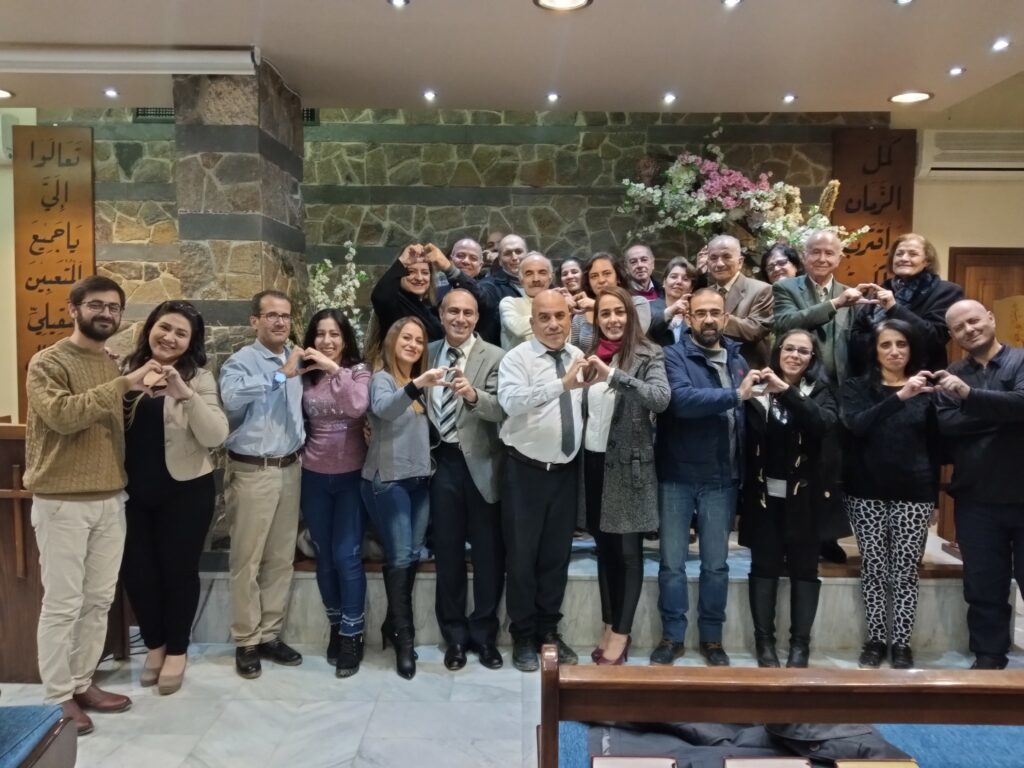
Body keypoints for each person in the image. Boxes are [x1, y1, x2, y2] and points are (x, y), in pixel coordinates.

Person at [24, 275, 157, 734]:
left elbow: (109, 417)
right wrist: (123, 384)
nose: (106, 313)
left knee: (99, 600)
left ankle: (83, 682)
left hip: (109, 497)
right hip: (61, 501)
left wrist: (135, 391)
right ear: (73, 308)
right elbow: (63, 416)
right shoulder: (47, 362)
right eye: (97, 305)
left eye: (114, 307)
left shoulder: (109, 362)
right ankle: (57, 696)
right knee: (63, 603)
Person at [121, 301, 228, 696]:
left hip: (185, 491)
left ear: (191, 342)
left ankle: (178, 651)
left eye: (181, 333)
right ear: (150, 327)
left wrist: (184, 393)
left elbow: (216, 435)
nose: (170, 337)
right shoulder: (122, 371)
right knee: (138, 572)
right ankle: (155, 646)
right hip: (131, 491)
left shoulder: (199, 378)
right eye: (164, 328)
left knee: (178, 572)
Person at [652, 288, 757, 667]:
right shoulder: (673, 355)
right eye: (701, 313)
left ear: (726, 316)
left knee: (716, 565)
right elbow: (680, 401)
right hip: (678, 474)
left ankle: (712, 638)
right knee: (672, 564)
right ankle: (672, 635)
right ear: (689, 318)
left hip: (723, 477)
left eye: (715, 312)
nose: (709, 319)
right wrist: (736, 395)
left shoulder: (739, 359)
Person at [739, 330, 844, 668]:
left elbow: (823, 424)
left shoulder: (823, 392)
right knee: (764, 567)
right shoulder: (756, 388)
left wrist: (786, 392)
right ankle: (764, 642)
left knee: (804, 570)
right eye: (789, 349)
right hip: (763, 498)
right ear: (777, 351)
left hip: (807, 500)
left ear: (813, 359)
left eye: (804, 351)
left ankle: (800, 644)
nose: (795, 356)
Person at [840, 319, 940, 670]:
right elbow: (856, 425)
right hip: (865, 490)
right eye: (886, 345)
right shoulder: (855, 387)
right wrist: (900, 396)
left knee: (905, 571)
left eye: (902, 344)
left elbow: (935, 446)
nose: (895, 351)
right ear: (875, 350)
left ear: (911, 349)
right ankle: (875, 640)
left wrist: (934, 499)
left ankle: (901, 643)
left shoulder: (927, 390)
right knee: (874, 568)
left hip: (914, 491)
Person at [498, 289, 587, 672]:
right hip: (525, 472)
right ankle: (522, 634)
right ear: (532, 322)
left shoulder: (579, 356)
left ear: (571, 319)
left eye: (560, 317)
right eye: (544, 317)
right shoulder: (517, 358)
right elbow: (510, 403)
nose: (553, 324)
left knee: (556, 557)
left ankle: (548, 631)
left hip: (566, 472)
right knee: (521, 558)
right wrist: (560, 385)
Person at [580, 287, 670, 665]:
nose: (613, 319)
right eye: (605, 314)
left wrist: (616, 376)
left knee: (629, 555)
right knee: (605, 553)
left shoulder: (649, 353)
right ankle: (608, 622)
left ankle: (622, 632)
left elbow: (660, 398)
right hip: (594, 461)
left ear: (630, 316)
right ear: (596, 319)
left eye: (619, 312)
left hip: (631, 468)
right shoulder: (587, 356)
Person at [219, 290, 306, 679]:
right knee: (247, 560)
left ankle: (270, 634)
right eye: (271, 315)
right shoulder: (242, 361)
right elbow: (231, 397)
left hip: (291, 468)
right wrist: (278, 375)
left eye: (285, 316)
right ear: (254, 321)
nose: (279, 322)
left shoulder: (299, 357)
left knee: (280, 558)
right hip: (254, 471)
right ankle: (246, 640)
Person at [935, 299, 1024, 670]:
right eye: (959, 328)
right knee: (983, 584)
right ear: (953, 336)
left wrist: (969, 398)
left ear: (990, 317)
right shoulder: (952, 373)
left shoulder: (1020, 362)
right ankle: (989, 656)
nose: (969, 330)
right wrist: (1004, 415)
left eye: (973, 320)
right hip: (976, 499)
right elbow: (947, 426)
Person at [362, 316, 448, 679]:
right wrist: (416, 385)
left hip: (419, 481)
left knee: (409, 556)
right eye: (406, 338)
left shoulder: (424, 385)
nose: (413, 345)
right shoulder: (382, 378)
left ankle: (390, 624)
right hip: (388, 480)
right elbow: (384, 409)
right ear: (393, 341)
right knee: (400, 556)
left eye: (419, 340)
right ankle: (406, 641)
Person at [426, 290, 507, 671]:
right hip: (440, 463)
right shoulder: (426, 352)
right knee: (448, 554)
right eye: (453, 311)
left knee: (489, 556)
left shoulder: (495, 355)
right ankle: (455, 637)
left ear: (477, 318)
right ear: (441, 315)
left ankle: (485, 636)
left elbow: (503, 409)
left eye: (468, 312)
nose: (460, 318)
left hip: (481, 465)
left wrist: (474, 395)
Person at [298, 308, 371, 678]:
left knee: (347, 556)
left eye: (335, 334)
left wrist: (332, 367)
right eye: (321, 334)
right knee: (324, 557)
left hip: (351, 477)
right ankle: (335, 624)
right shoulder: (304, 374)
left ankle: (352, 634)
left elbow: (357, 405)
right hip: (312, 475)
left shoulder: (357, 372)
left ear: (345, 339)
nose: (327, 340)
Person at [849, 233, 964, 377]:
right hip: (874, 380)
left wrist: (895, 309)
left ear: (927, 261)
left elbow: (935, 338)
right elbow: (855, 337)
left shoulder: (946, 291)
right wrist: (884, 343)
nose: (904, 259)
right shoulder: (880, 290)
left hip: (921, 380)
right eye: (899, 254)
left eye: (913, 254)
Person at [773, 229, 868, 386]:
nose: (822, 259)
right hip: (796, 382)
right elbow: (786, 323)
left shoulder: (851, 296)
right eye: (816, 252)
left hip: (840, 385)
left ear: (839, 259)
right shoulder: (785, 288)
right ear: (804, 256)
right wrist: (835, 303)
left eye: (829, 253)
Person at [370, 242, 479, 353]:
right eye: (411, 272)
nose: (419, 278)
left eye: (425, 272)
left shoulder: (428, 306)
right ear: (399, 274)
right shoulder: (395, 302)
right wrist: (402, 261)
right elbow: (380, 297)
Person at [704, 234, 774, 368]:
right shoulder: (705, 294)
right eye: (713, 258)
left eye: (726, 256)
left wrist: (716, 318)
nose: (719, 263)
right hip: (710, 371)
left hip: (748, 371)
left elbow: (755, 330)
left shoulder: (762, 290)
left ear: (740, 262)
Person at [571, 253, 651, 349]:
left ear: (618, 278)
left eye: (607, 273)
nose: (601, 280)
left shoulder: (639, 303)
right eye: (594, 276)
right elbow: (575, 352)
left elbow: (637, 334)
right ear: (589, 282)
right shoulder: (580, 316)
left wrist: (597, 306)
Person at [475, 234, 528, 345]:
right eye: (508, 253)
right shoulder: (489, 285)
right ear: (499, 260)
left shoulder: (541, 284)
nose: (514, 257)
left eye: (518, 251)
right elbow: (479, 293)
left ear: (527, 254)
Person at [499, 252, 553, 349]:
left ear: (550, 277)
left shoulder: (562, 303)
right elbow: (518, 328)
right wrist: (555, 310)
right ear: (521, 280)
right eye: (529, 274)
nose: (536, 279)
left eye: (542, 272)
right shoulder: (509, 303)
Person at [649, 257, 698, 347]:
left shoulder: (695, 314)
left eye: (685, 279)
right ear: (664, 282)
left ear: (691, 288)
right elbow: (646, 331)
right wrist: (670, 311)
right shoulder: (648, 308)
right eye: (674, 277)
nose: (679, 281)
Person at [436, 238, 484, 304]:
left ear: (480, 266)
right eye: (460, 256)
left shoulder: (487, 289)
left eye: (473, 258)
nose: (466, 261)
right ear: (451, 259)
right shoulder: (436, 283)